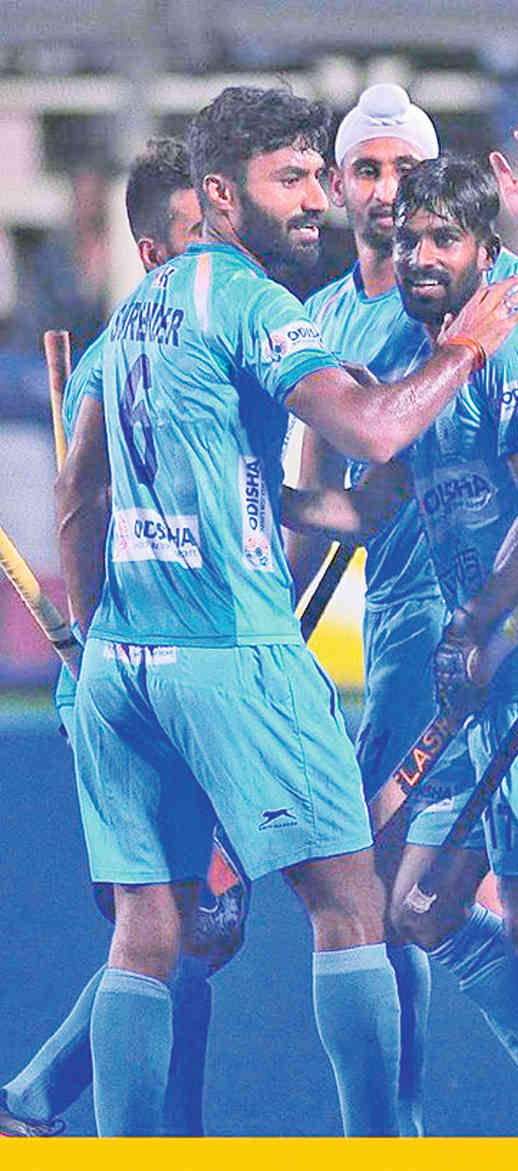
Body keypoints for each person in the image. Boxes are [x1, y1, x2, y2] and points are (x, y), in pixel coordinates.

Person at [53, 85, 518, 1137]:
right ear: (222, 195)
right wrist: (466, 348)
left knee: (148, 929)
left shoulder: (135, 308)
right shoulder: (252, 300)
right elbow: (371, 430)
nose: (316, 197)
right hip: (233, 649)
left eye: (319, 174)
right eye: (293, 178)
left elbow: (80, 491)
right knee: (352, 901)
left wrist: (91, 640)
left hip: (123, 662)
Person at [285, 153, 518, 1136]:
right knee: (417, 904)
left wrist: (474, 622)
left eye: (445, 238)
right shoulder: (423, 358)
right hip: (481, 684)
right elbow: (371, 509)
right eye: (409, 240)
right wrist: (256, 506)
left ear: (486, 249)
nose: (422, 256)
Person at [289, 84, 518, 1135]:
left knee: (398, 889)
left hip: (477, 614)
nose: (389, 190)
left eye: (406, 169)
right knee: (395, 896)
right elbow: (327, 494)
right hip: (397, 619)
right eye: (369, 169)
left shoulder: (475, 285)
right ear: (339, 182)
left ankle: (408, 1130)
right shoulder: (317, 321)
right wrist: (272, 617)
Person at [0, 138, 223, 1140]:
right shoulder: (131, 359)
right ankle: (43, 1103)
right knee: (170, 927)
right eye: (196, 233)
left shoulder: (213, 341)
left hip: (179, 669)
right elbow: (81, 517)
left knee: (181, 931)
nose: (217, 252)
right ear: (152, 250)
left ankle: (41, 1102)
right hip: (132, 675)